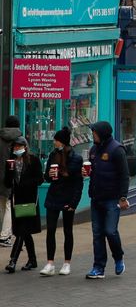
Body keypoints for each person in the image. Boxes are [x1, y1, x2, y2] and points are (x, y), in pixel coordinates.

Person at [84, 121, 129, 279]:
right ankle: (98, 267)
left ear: (101, 133)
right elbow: (94, 172)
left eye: (94, 132)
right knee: (97, 234)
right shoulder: (94, 150)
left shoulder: (117, 150)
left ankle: (118, 257)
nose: (92, 134)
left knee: (110, 231)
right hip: (96, 198)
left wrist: (123, 197)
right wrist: (86, 173)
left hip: (112, 199)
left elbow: (124, 176)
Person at [39, 127, 84, 276]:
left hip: (68, 197)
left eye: (56, 140)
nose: (54, 142)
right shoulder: (53, 155)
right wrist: (50, 175)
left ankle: (66, 263)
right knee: (50, 230)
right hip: (53, 196)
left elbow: (78, 182)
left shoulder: (76, 158)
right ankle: (50, 263)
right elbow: (46, 177)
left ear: (63, 142)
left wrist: (74, 203)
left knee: (67, 230)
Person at [4, 136, 43, 273]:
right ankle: (32, 260)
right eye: (15, 147)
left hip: (30, 201)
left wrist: (24, 184)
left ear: (25, 147)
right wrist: (9, 172)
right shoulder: (11, 162)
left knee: (21, 231)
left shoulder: (33, 160)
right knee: (25, 233)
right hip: (17, 201)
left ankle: (12, 261)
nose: (17, 149)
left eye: (19, 147)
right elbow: (7, 183)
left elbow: (40, 179)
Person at [0, 116, 22, 248]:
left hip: (0, 177)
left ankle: (2, 233)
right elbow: (22, 161)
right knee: (9, 206)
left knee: (2, 205)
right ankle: (5, 235)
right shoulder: (20, 140)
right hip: (12, 178)